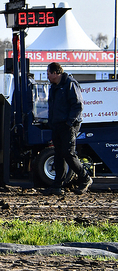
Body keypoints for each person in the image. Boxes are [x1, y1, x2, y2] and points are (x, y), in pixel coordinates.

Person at [43, 62, 92, 195]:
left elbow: (77, 105)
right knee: (58, 154)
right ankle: (57, 185)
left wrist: (70, 122)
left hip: (68, 125)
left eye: (48, 73)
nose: (47, 76)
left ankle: (85, 178)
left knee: (68, 153)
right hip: (57, 125)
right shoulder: (54, 87)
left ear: (55, 73)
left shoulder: (70, 83)